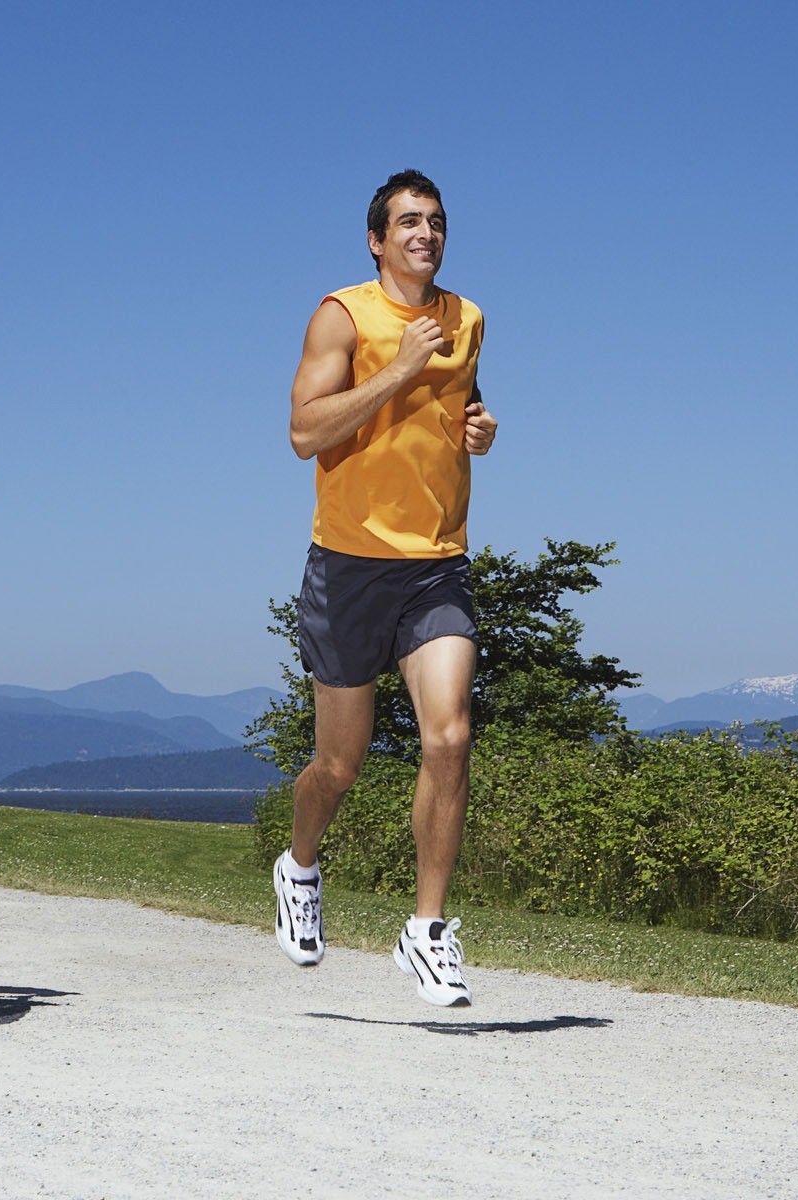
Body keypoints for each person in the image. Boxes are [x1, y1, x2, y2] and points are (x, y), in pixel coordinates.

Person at [275, 169, 498, 1006]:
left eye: (436, 221)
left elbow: (462, 405)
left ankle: (428, 931)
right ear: (376, 239)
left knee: (448, 737)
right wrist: (400, 370)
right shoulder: (344, 315)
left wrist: (479, 426)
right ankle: (299, 868)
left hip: (437, 561)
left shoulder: (467, 318)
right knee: (341, 762)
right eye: (408, 222)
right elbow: (304, 432)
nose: (425, 234)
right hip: (349, 564)